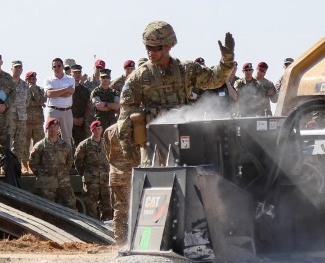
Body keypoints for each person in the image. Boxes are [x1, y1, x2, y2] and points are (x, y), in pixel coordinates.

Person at [119, 21, 234, 163]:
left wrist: (227, 60)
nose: (151, 52)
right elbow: (127, 112)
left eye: (156, 48)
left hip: (185, 141)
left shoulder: (186, 69)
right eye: (148, 47)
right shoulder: (139, 76)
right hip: (153, 146)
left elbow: (215, 80)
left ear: (168, 46)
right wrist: (126, 143)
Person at [104, 118, 138, 246]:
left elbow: (108, 153)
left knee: (119, 209)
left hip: (116, 174)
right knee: (136, 207)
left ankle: (120, 242)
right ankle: (134, 240)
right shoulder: (134, 128)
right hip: (132, 174)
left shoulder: (109, 130)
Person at [29, 118, 75, 208]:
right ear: (47, 128)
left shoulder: (65, 146)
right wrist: (42, 175)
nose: (53, 129)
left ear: (58, 128)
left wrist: (63, 172)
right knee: (48, 208)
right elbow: (33, 163)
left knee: (70, 205)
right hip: (47, 184)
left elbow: (69, 161)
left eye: (55, 126)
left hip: (63, 182)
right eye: (50, 127)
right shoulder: (40, 146)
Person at [75, 120, 111, 219]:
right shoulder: (84, 145)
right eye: (95, 129)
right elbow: (78, 162)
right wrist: (85, 174)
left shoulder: (106, 143)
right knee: (91, 206)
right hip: (91, 181)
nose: (97, 131)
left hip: (105, 180)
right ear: (91, 131)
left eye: (99, 129)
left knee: (107, 205)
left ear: (102, 129)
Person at [44, 57, 75, 141]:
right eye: (54, 66)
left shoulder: (70, 79)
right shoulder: (48, 80)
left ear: (63, 66)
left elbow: (69, 94)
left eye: (59, 66)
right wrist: (66, 89)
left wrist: (55, 93)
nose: (57, 68)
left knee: (67, 138)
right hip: (53, 111)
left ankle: (67, 154)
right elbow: (49, 93)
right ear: (52, 68)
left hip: (67, 111)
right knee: (49, 138)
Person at [22, 71, 46, 171]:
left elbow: (41, 100)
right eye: (30, 79)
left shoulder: (40, 89)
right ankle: (24, 164)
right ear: (26, 80)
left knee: (39, 144)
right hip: (26, 121)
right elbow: (24, 103)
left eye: (34, 79)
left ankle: (36, 164)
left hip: (38, 121)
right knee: (25, 144)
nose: (32, 81)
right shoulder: (22, 89)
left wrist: (34, 90)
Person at [7, 60, 30, 163]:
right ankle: (5, 166)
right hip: (8, 119)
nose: (17, 69)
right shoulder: (6, 84)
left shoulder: (25, 85)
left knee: (19, 145)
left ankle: (17, 167)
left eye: (19, 68)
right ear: (11, 69)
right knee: (6, 144)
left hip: (21, 119)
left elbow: (27, 101)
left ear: (22, 70)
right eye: (15, 67)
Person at [70, 65, 92, 145]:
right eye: (75, 72)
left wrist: (83, 118)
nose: (77, 74)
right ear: (70, 74)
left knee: (80, 147)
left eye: (79, 72)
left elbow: (89, 107)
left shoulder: (85, 90)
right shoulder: (67, 89)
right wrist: (72, 119)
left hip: (81, 124)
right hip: (68, 122)